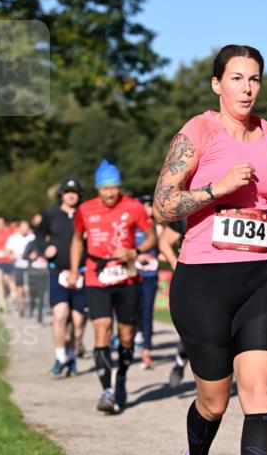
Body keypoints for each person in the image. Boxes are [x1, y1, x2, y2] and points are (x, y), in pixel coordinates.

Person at [152, 44, 267, 455]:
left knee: (260, 393)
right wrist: (215, 187)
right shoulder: (199, 132)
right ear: (217, 84)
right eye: (236, 78)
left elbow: (266, 198)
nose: (247, 88)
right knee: (214, 401)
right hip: (204, 282)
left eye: (254, 79)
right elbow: (164, 205)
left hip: (264, 276)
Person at [69, 160, 157, 414]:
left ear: (120, 187)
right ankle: (106, 390)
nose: (110, 193)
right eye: (105, 188)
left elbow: (152, 236)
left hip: (126, 277)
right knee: (102, 329)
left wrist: (135, 251)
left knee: (127, 336)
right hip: (97, 275)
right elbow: (77, 239)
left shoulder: (133, 207)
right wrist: (75, 269)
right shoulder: (85, 210)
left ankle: (121, 380)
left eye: (115, 188)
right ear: (98, 189)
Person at [37, 176, 87, 377]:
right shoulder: (51, 214)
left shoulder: (86, 212)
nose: (71, 195)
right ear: (61, 194)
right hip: (58, 272)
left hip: (83, 273)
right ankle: (60, 357)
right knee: (60, 315)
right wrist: (45, 248)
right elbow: (38, 236)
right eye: (67, 192)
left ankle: (73, 356)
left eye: (74, 192)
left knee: (78, 322)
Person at [157, 218, 191, 388]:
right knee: (192, 330)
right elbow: (164, 242)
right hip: (193, 279)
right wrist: (175, 263)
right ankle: (180, 362)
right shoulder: (187, 215)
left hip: (227, 280)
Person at [134, 194, 161, 369]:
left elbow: (163, 247)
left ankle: (147, 351)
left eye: (149, 204)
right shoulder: (132, 227)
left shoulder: (157, 228)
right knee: (134, 310)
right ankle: (136, 335)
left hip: (150, 275)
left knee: (147, 312)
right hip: (133, 275)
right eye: (143, 204)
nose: (147, 207)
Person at [6, 219, 34, 318]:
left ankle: (30, 308)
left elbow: (38, 251)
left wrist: (31, 256)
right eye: (22, 227)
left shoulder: (32, 237)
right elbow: (8, 252)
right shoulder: (13, 238)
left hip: (31, 266)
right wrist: (15, 256)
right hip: (18, 266)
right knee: (20, 289)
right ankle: (21, 308)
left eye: (26, 228)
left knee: (28, 289)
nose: (24, 230)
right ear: (19, 228)